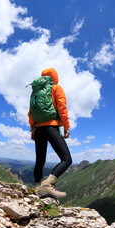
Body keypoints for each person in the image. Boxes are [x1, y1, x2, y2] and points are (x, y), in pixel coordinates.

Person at [28, 68, 72, 198]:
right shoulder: (56, 88)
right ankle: (47, 184)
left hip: (39, 129)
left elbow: (31, 112)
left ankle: (37, 189)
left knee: (40, 161)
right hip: (51, 127)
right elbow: (62, 107)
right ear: (55, 77)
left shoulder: (36, 91)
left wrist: (33, 128)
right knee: (66, 159)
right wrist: (66, 126)